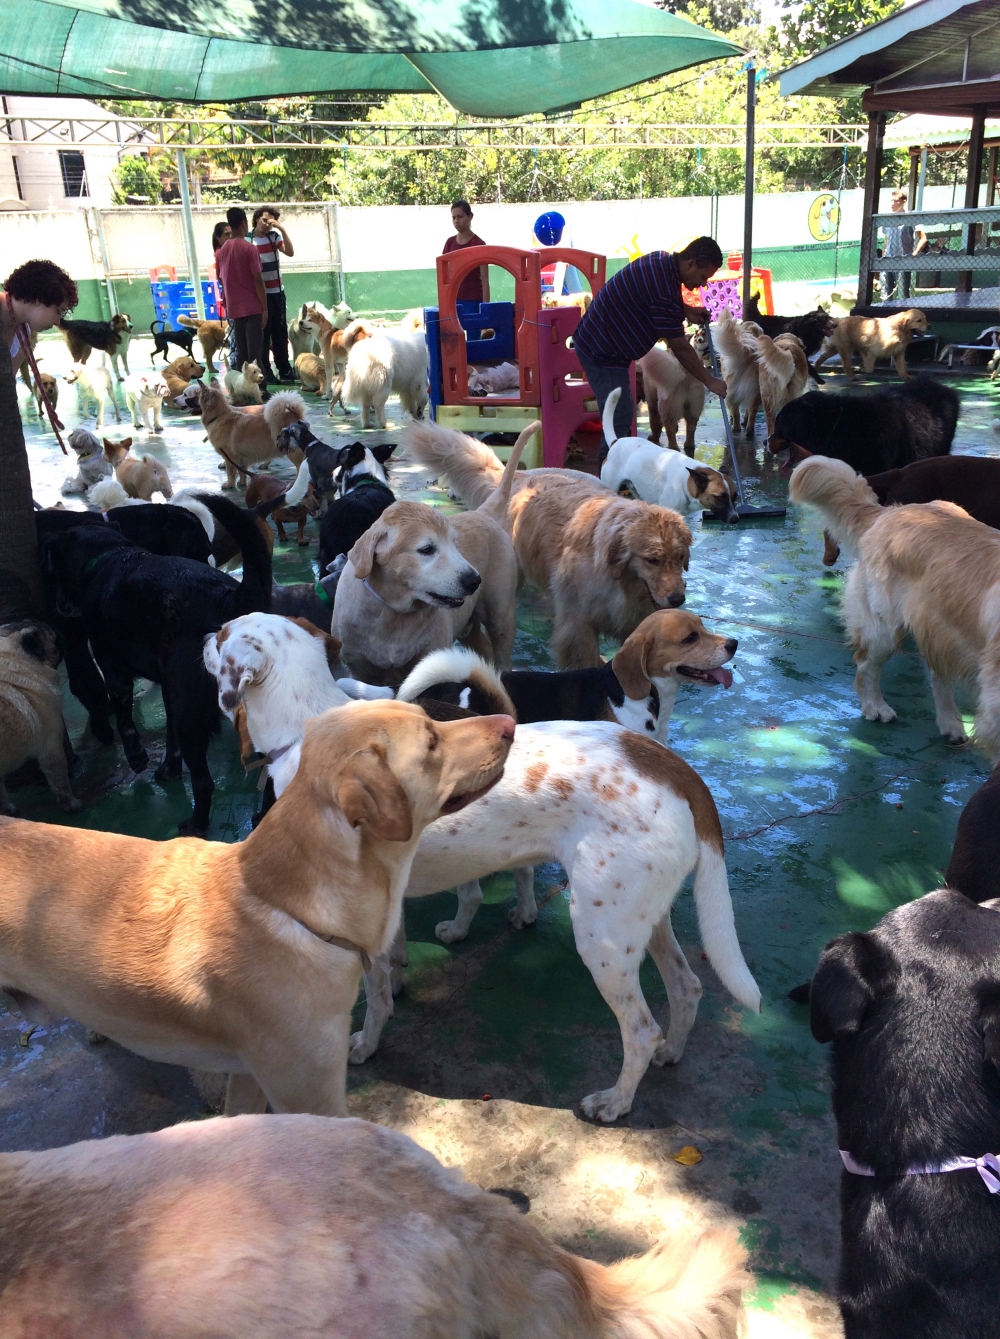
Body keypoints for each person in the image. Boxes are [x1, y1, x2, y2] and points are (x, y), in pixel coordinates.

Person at [572, 236, 727, 462]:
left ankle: (615, 476)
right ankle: (607, 481)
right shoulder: (664, 285)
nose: (703, 284)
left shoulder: (662, 263)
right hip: (601, 350)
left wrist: (685, 310)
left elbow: (649, 298)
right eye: (703, 276)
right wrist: (710, 380)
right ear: (691, 264)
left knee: (621, 413)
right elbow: (680, 348)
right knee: (619, 416)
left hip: (605, 345)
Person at [215, 207, 267, 376]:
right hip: (252, 307)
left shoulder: (223, 250)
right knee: (254, 353)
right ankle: (260, 388)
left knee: (241, 352)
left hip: (234, 308)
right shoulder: (249, 248)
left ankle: (241, 389)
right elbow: (258, 280)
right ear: (244, 223)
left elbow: (221, 278)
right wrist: (265, 308)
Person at [1, 259, 78, 374]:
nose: (57, 322)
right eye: (58, 311)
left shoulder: (22, 332)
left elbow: (7, 385)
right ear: (39, 299)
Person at [250, 206, 295, 385]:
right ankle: (266, 370)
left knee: (280, 332)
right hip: (261, 294)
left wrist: (282, 229)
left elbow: (290, 252)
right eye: (264, 220)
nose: (267, 225)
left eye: (270, 222)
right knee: (263, 334)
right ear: (256, 219)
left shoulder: (273, 237)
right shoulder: (249, 240)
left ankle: (284, 368)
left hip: (277, 292)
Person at [881, 188, 927, 302]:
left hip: (903, 261)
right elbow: (886, 240)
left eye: (895, 201)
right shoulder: (887, 219)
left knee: (903, 296)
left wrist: (914, 254)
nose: (892, 204)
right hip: (888, 260)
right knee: (886, 295)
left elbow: (923, 238)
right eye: (891, 201)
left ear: (903, 202)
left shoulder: (911, 218)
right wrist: (882, 259)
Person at [442, 200, 490, 305]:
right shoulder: (449, 243)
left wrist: (486, 308)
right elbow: (444, 276)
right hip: (453, 301)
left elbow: (485, 280)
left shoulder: (479, 244)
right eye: (453, 217)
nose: (456, 221)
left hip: (474, 301)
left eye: (460, 217)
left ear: (470, 217)